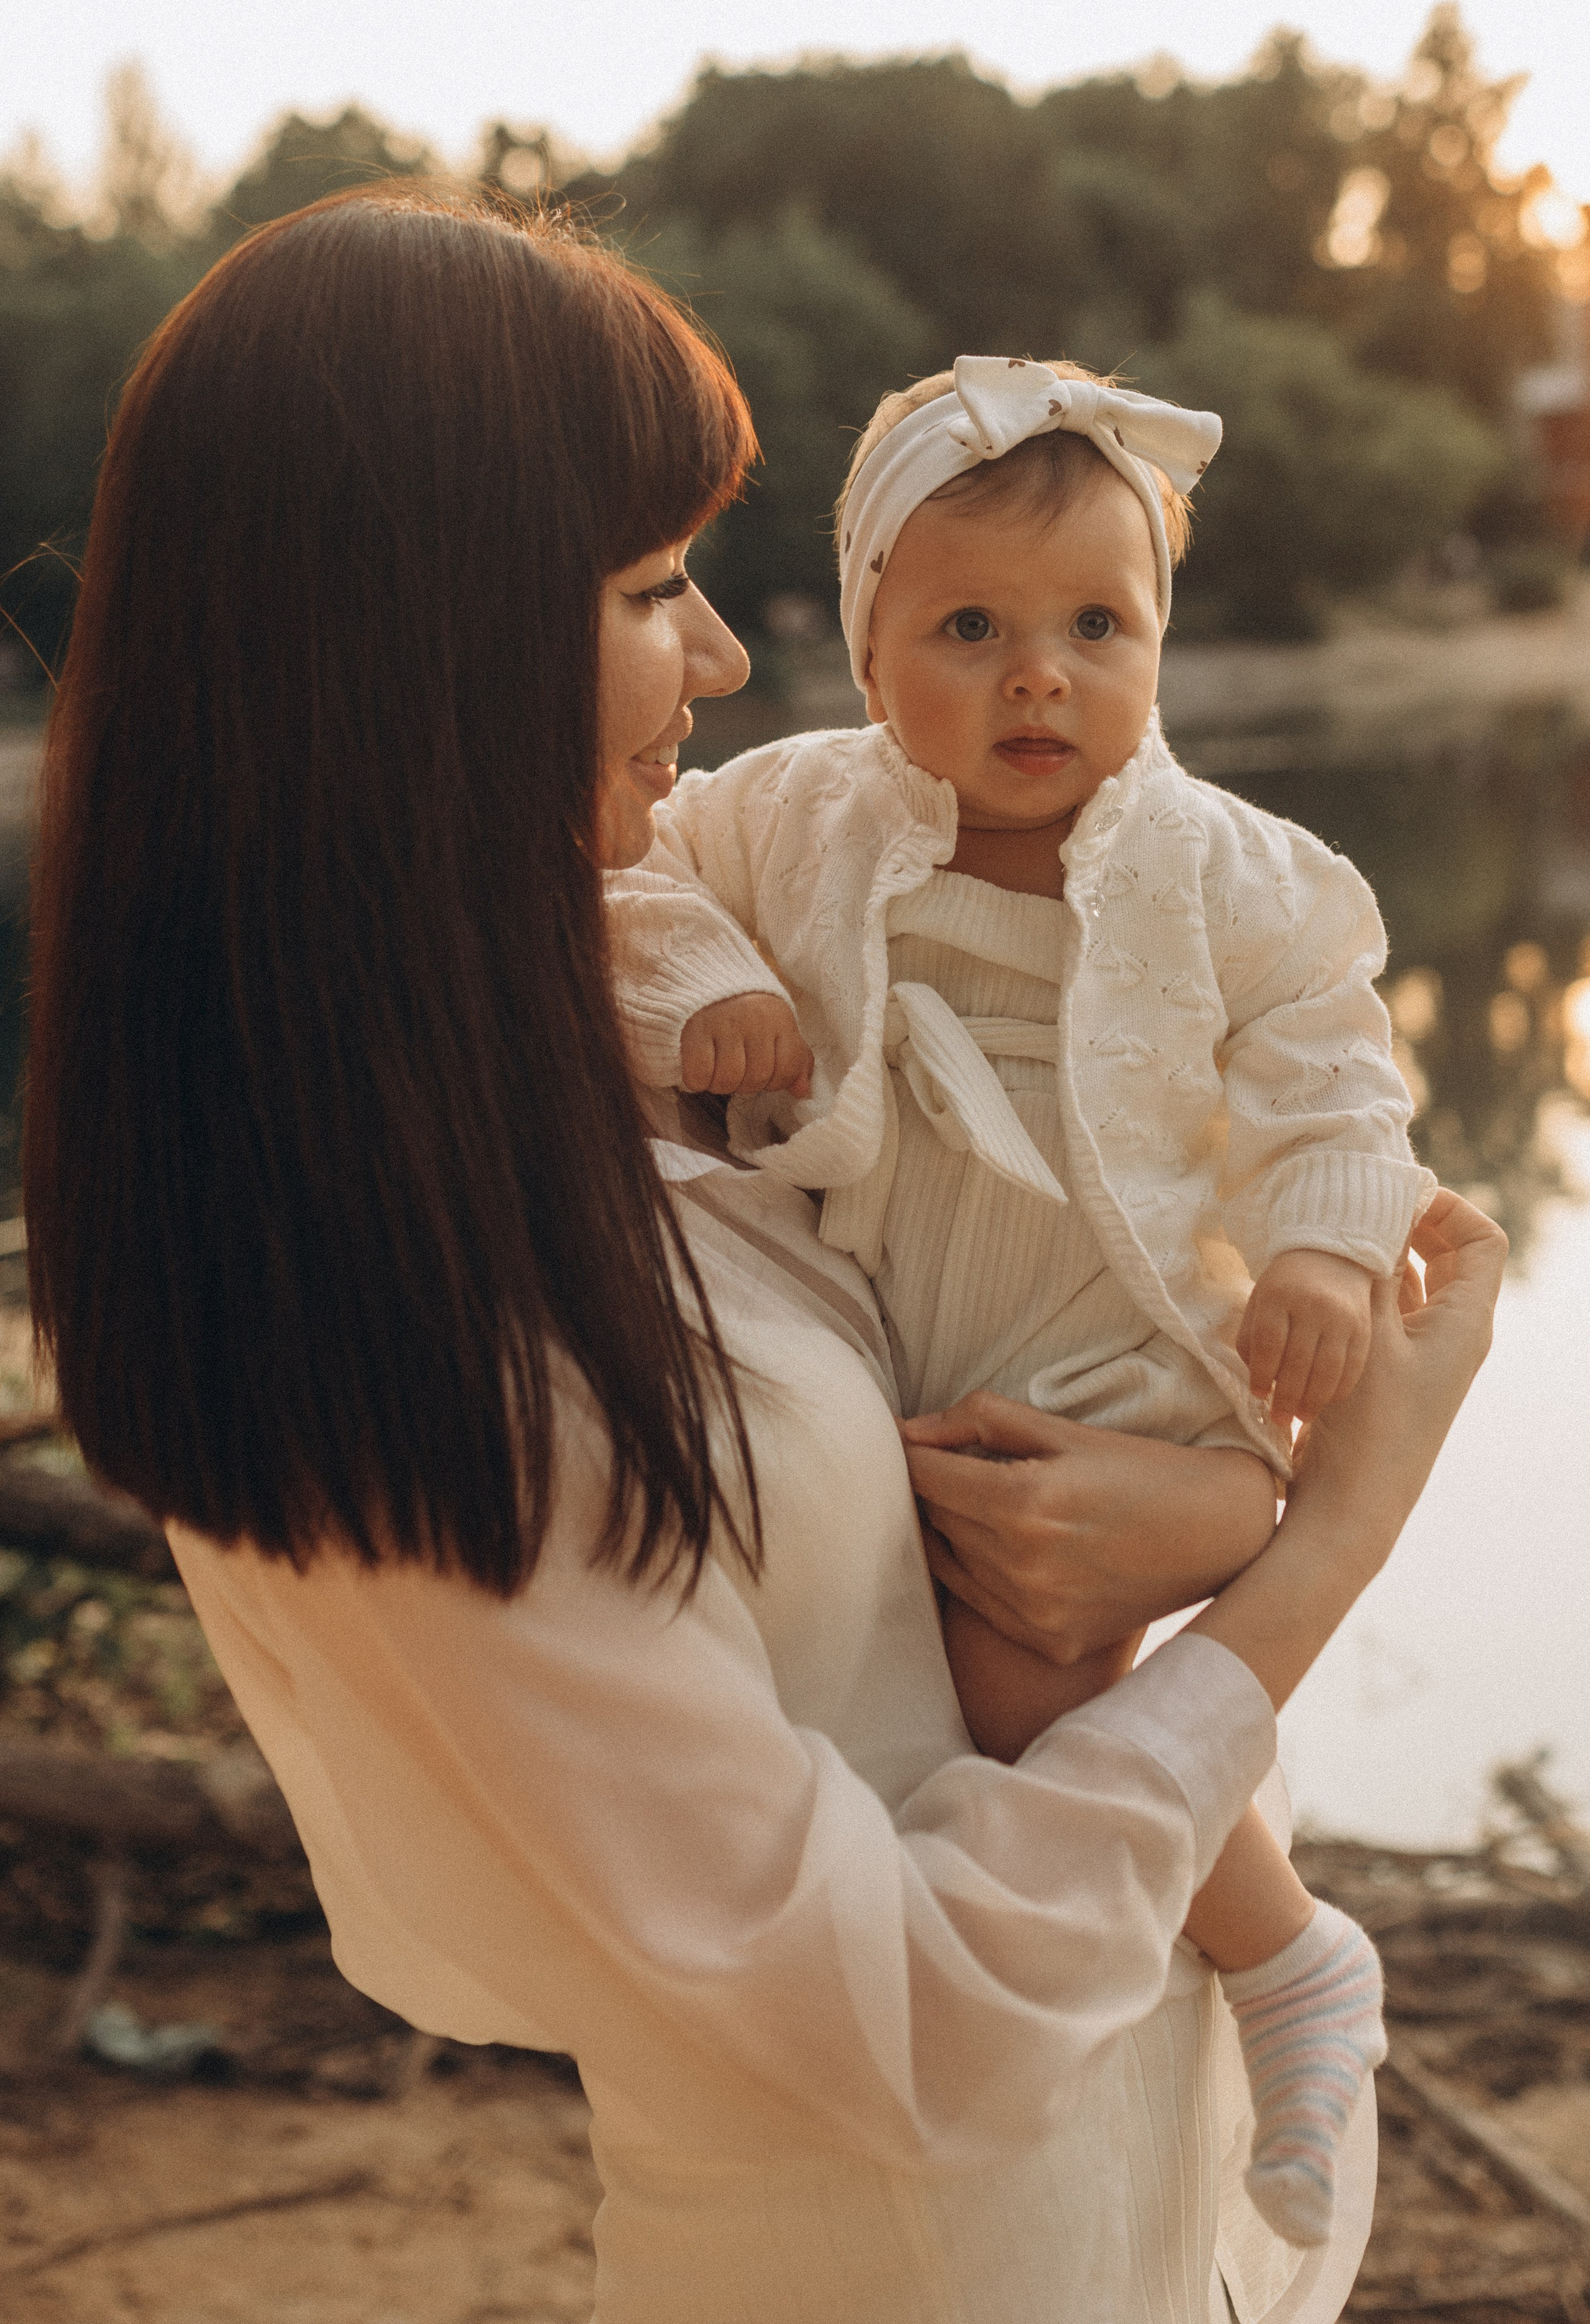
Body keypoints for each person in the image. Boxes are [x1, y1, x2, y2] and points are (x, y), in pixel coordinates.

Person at [22, 186, 1506, 2324]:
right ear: (412, 633)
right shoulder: (403, 1299)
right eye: (650, 584)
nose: (724, 659)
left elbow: (892, 1460)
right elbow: (876, 2024)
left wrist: (1203, 1502)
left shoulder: (568, 1074)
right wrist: (1319, 1557)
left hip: (1100, 2208)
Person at [604, 354, 1438, 2245]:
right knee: (993, 1689)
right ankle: (1210, 1969)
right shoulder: (799, 817)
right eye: (969, 627)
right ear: (868, 643)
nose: (1039, 675)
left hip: (1118, 1346)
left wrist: (1318, 1243)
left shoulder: (1218, 867)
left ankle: (1290, 1958)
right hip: (908, 1335)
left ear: (1159, 641)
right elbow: (628, 879)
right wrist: (700, 988)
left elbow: (1330, 1051)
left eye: (1096, 625)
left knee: (1025, 1684)